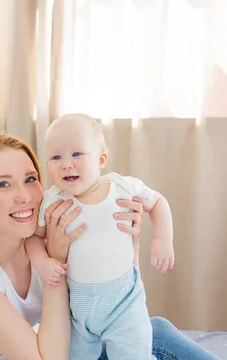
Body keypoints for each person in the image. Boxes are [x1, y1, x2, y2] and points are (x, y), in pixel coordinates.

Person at [0, 132, 218, 360]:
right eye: (3, 184)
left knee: (155, 331)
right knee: (159, 338)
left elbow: (120, 302)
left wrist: (131, 241)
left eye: (30, 179)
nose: (24, 196)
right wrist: (55, 264)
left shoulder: (39, 242)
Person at [25, 113, 174, 359]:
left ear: (101, 159)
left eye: (76, 154)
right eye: (56, 157)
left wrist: (162, 239)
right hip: (77, 307)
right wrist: (41, 261)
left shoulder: (122, 188)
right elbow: (32, 236)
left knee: (134, 352)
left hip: (124, 302)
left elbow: (158, 202)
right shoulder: (53, 201)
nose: (66, 163)